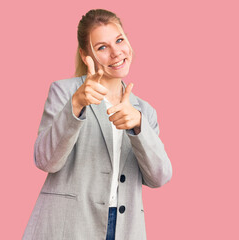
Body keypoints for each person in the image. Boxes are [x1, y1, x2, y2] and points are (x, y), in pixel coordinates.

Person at [23, 9, 172, 240]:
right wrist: (76, 105)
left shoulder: (144, 111)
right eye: (102, 47)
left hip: (125, 228)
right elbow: (45, 160)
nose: (116, 53)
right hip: (70, 226)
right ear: (86, 56)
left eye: (119, 40)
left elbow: (159, 177)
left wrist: (138, 126)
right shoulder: (65, 92)